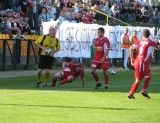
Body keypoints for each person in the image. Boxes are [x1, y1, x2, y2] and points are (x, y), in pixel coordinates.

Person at [128, 29, 160, 99]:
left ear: (143, 34)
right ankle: (141, 91)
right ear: (149, 34)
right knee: (141, 78)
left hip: (137, 61)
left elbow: (130, 48)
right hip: (142, 62)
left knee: (145, 76)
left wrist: (131, 59)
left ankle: (132, 93)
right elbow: (159, 48)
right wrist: (158, 42)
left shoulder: (139, 41)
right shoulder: (150, 42)